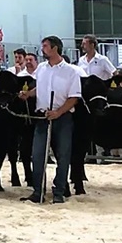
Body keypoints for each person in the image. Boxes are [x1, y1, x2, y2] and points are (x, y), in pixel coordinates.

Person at [25, 35, 81, 205]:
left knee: (63, 156)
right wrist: (29, 94)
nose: (42, 49)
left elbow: (74, 98)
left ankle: (59, 191)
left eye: (45, 46)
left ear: (55, 48)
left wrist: (58, 112)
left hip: (63, 118)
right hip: (42, 117)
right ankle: (38, 190)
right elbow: (40, 87)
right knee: (38, 155)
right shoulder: (41, 68)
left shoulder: (71, 71)